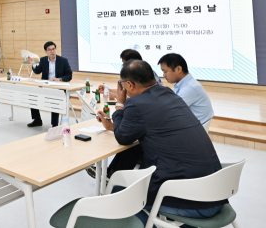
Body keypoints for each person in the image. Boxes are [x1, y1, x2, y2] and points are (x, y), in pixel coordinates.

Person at [95, 60, 226, 227]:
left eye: (123, 86)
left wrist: (120, 103)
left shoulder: (136, 104)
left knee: (118, 191)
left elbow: (123, 137)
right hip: (217, 190)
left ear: (129, 84)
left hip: (196, 202)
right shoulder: (169, 94)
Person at [158, 53, 214, 124]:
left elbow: (170, 111)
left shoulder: (190, 88)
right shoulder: (182, 84)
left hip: (193, 129)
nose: (164, 75)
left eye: (165, 71)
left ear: (178, 69)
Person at [26, 41, 72, 127]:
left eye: (53, 49)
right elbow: (37, 71)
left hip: (58, 87)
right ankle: (37, 120)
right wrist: (33, 64)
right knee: (33, 96)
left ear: (56, 49)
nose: (52, 51)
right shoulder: (43, 60)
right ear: (45, 51)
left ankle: (54, 125)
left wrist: (59, 79)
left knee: (55, 99)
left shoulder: (63, 61)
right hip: (46, 86)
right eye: (49, 50)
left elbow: (69, 75)